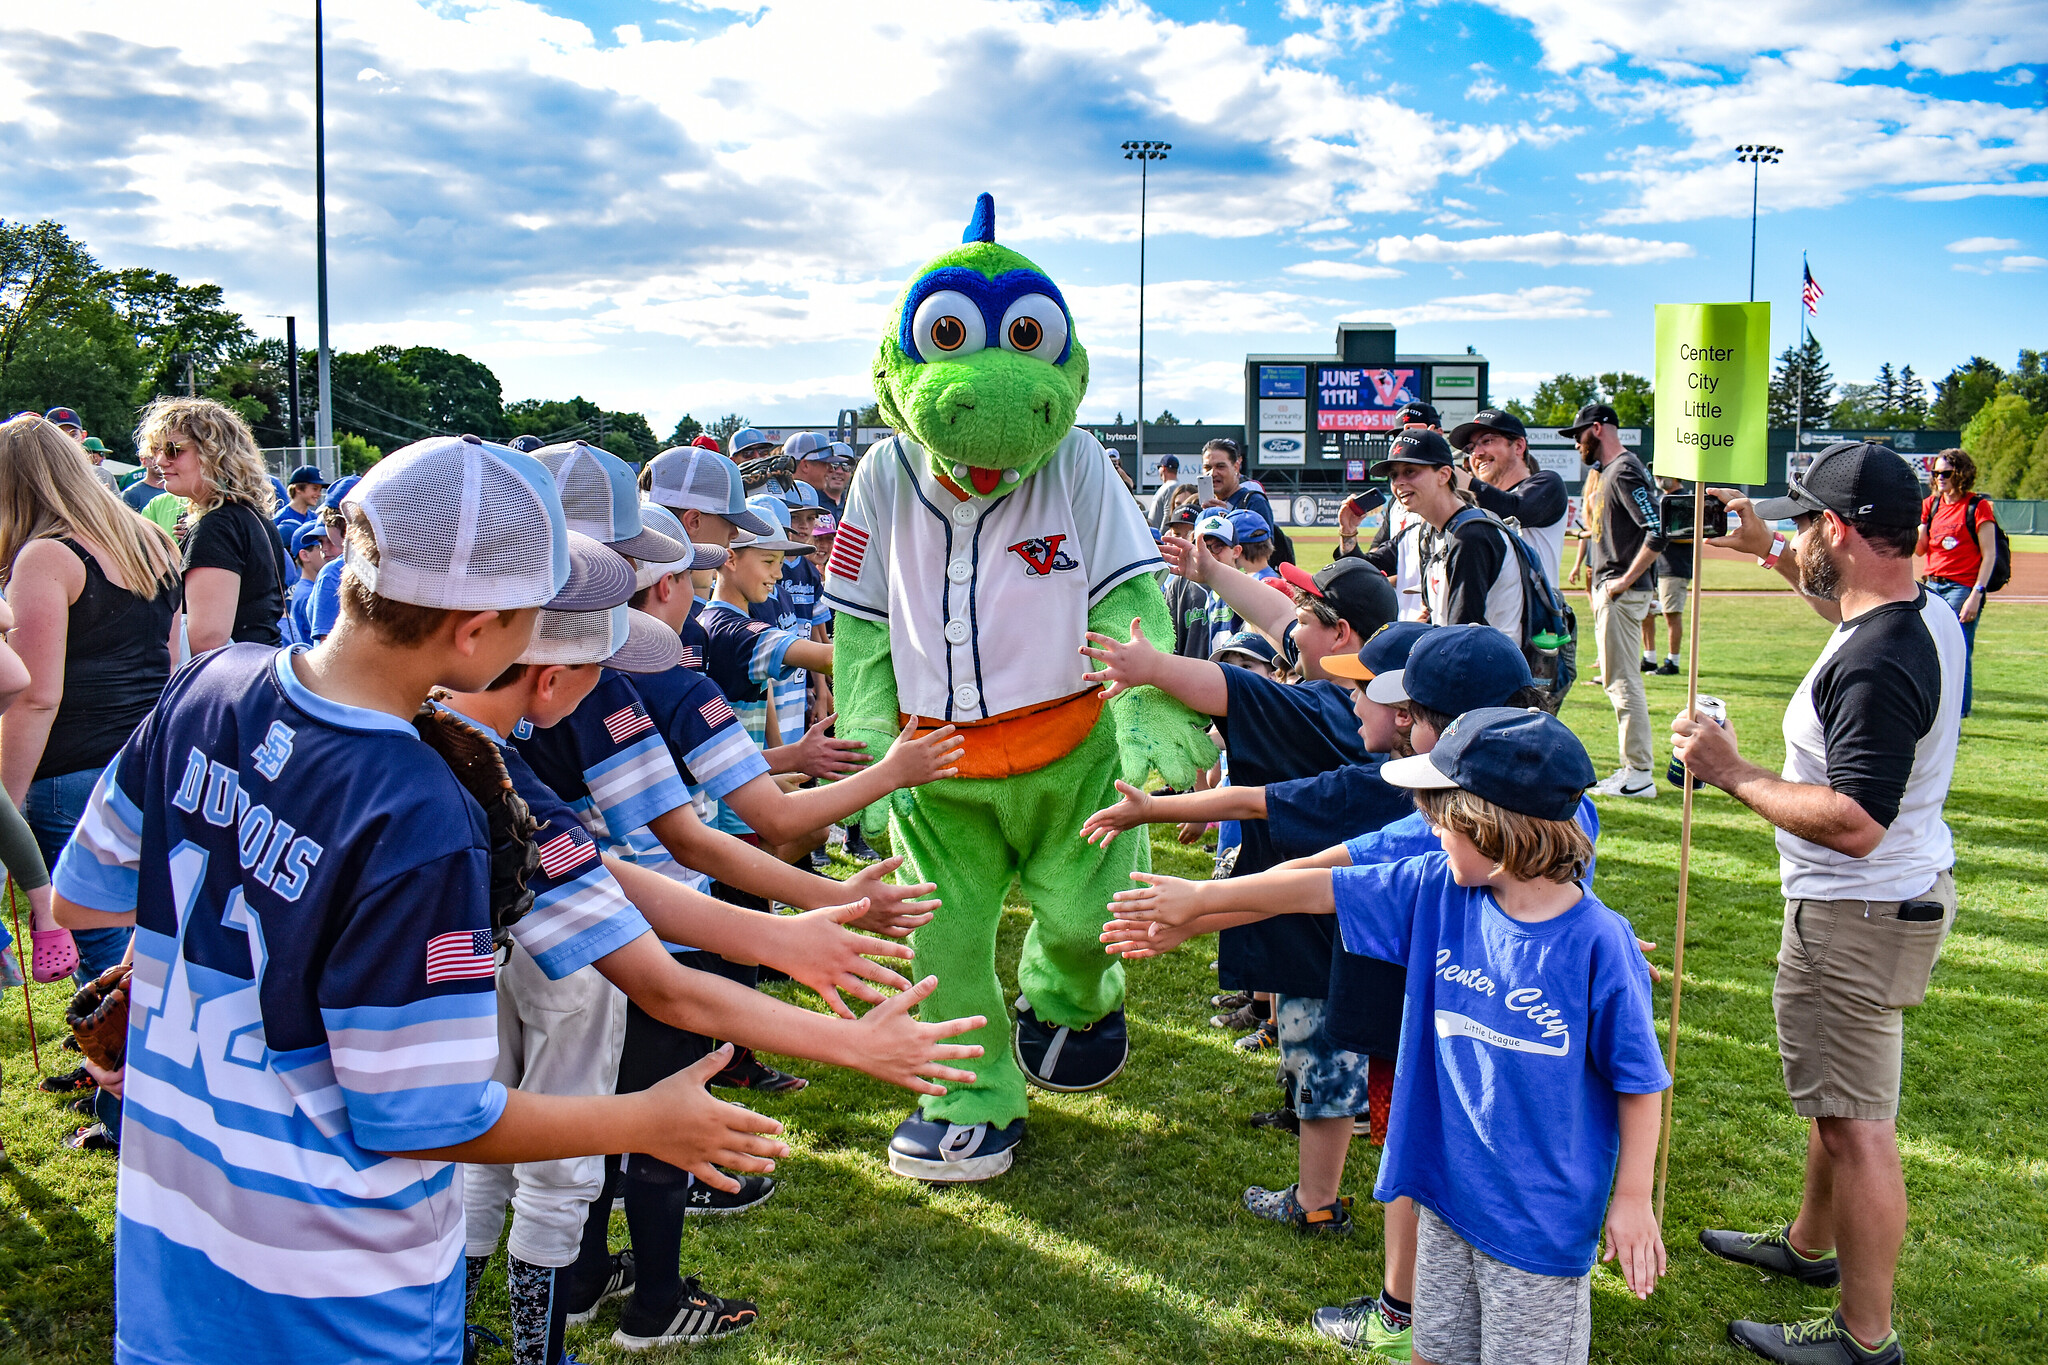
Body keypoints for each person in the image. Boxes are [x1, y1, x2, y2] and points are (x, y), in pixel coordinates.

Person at [45, 434, 796, 1364]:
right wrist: (648, 1121)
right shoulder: (425, 804)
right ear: (477, 629)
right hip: (343, 1291)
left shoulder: (211, 679)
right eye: (535, 613)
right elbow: (426, 1113)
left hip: (171, 1262)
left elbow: (84, 897)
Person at [1106, 708, 1669, 1364]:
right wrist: (1201, 900)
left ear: (1491, 823)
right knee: (1434, 1348)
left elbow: (1639, 1080)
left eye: (1442, 818)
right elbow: (1317, 889)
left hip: (1538, 1231)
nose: (1430, 831)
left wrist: (1631, 1198)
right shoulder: (1438, 888)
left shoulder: (1601, 943)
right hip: (1444, 1195)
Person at [1677, 443, 1965, 1365]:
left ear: (1837, 529)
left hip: (1860, 907)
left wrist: (1731, 771)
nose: (1797, 532)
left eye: (1803, 521)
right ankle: (1810, 1247)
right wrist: (1767, 551)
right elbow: (1841, 608)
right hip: (1884, 902)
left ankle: (1864, 1338)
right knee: (1839, 1102)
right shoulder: (1917, 610)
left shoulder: (1881, 658)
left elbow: (1853, 820)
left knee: (1856, 1124)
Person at [1077, 558, 1399, 1234]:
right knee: (1321, 1053)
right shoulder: (1359, 688)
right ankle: (1326, 1166)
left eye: (1306, 616)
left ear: (1342, 636)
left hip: (1327, 925)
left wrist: (1153, 667)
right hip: (1320, 912)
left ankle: (1317, 1203)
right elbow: (1281, 622)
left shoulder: (1326, 708)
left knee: (1323, 1057)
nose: (1288, 623)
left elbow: (1231, 690)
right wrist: (1212, 572)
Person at [0, 414, 182, 1001]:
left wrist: (6, 800)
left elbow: (34, 695)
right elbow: (172, 665)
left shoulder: (46, 557)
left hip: (71, 777)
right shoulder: (151, 541)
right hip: (149, 762)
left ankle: (119, 1088)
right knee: (149, 949)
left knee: (107, 971)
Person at [1563, 401, 1665, 799]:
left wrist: (1622, 582)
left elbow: (1657, 531)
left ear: (1599, 428)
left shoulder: (1624, 470)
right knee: (1616, 680)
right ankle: (1631, 770)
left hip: (1621, 592)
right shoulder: (1606, 473)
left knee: (1623, 682)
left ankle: (1639, 774)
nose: (1576, 445)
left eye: (1578, 435)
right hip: (1612, 590)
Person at [142, 397, 291, 653]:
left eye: (173, 450)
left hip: (233, 679)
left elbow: (208, 642)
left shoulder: (218, 525)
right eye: (155, 450)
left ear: (213, 454)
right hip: (257, 669)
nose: (160, 461)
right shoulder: (247, 515)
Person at [1372, 428, 1526, 638]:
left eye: (1410, 471)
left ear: (1444, 475)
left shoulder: (1470, 535)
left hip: (1492, 665)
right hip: (1467, 657)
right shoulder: (1432, 530)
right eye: (1393, 475)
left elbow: (1461, 634)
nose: (1398, 482)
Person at [1915, 448, 1997, 718]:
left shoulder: (1977, 506)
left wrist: (1977, 594)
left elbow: (1990, 555)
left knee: (1958, 648)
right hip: (1932, 585)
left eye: (1946, 473)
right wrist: (1921, 524)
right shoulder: (1932, 504)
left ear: (1961, 474)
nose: (1939, 478)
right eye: (1936, 473)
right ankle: (1936, 708)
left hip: (1962, 588)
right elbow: (1919, 550)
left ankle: (1958, 712)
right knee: (1929, 647)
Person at [1645, 474, 1692, 676]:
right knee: (1646, 613)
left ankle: (1673, 662)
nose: (1658, 478)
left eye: (1663, 474)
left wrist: (1663, 535)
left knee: (1671, 615)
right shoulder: (1661, 499)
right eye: (1656, 474)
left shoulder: (1685, 500)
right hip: (1655, 567)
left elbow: (1691, 536)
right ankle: (1649, 658)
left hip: (1675, 567)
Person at [1199, 437, 1276, 537]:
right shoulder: (1200, 504)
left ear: (1235, 467)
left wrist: (1227, 518)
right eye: (1207, 467)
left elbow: (1263, 550)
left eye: (1220, 466)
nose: (1212, 473)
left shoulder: (1254, 502)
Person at [284, 519, 328, 645]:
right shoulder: (307, 594)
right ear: (304, 555)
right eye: (320, 545)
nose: (326, 549)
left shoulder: (306, 588)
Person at [274, 463, 329, 539]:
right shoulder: (282, 517)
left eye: (320, 490)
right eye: (315, 489)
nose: (319, 494)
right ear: (298, 488)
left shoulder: (314, 518)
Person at [1147, 453, 1184, 528]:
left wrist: (1160, 537)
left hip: (1159, 537)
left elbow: (1168, 515)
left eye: (1158, 467)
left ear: (1163, 468)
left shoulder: (1171, 487)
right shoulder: (1167, 486)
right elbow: (1156, 512)